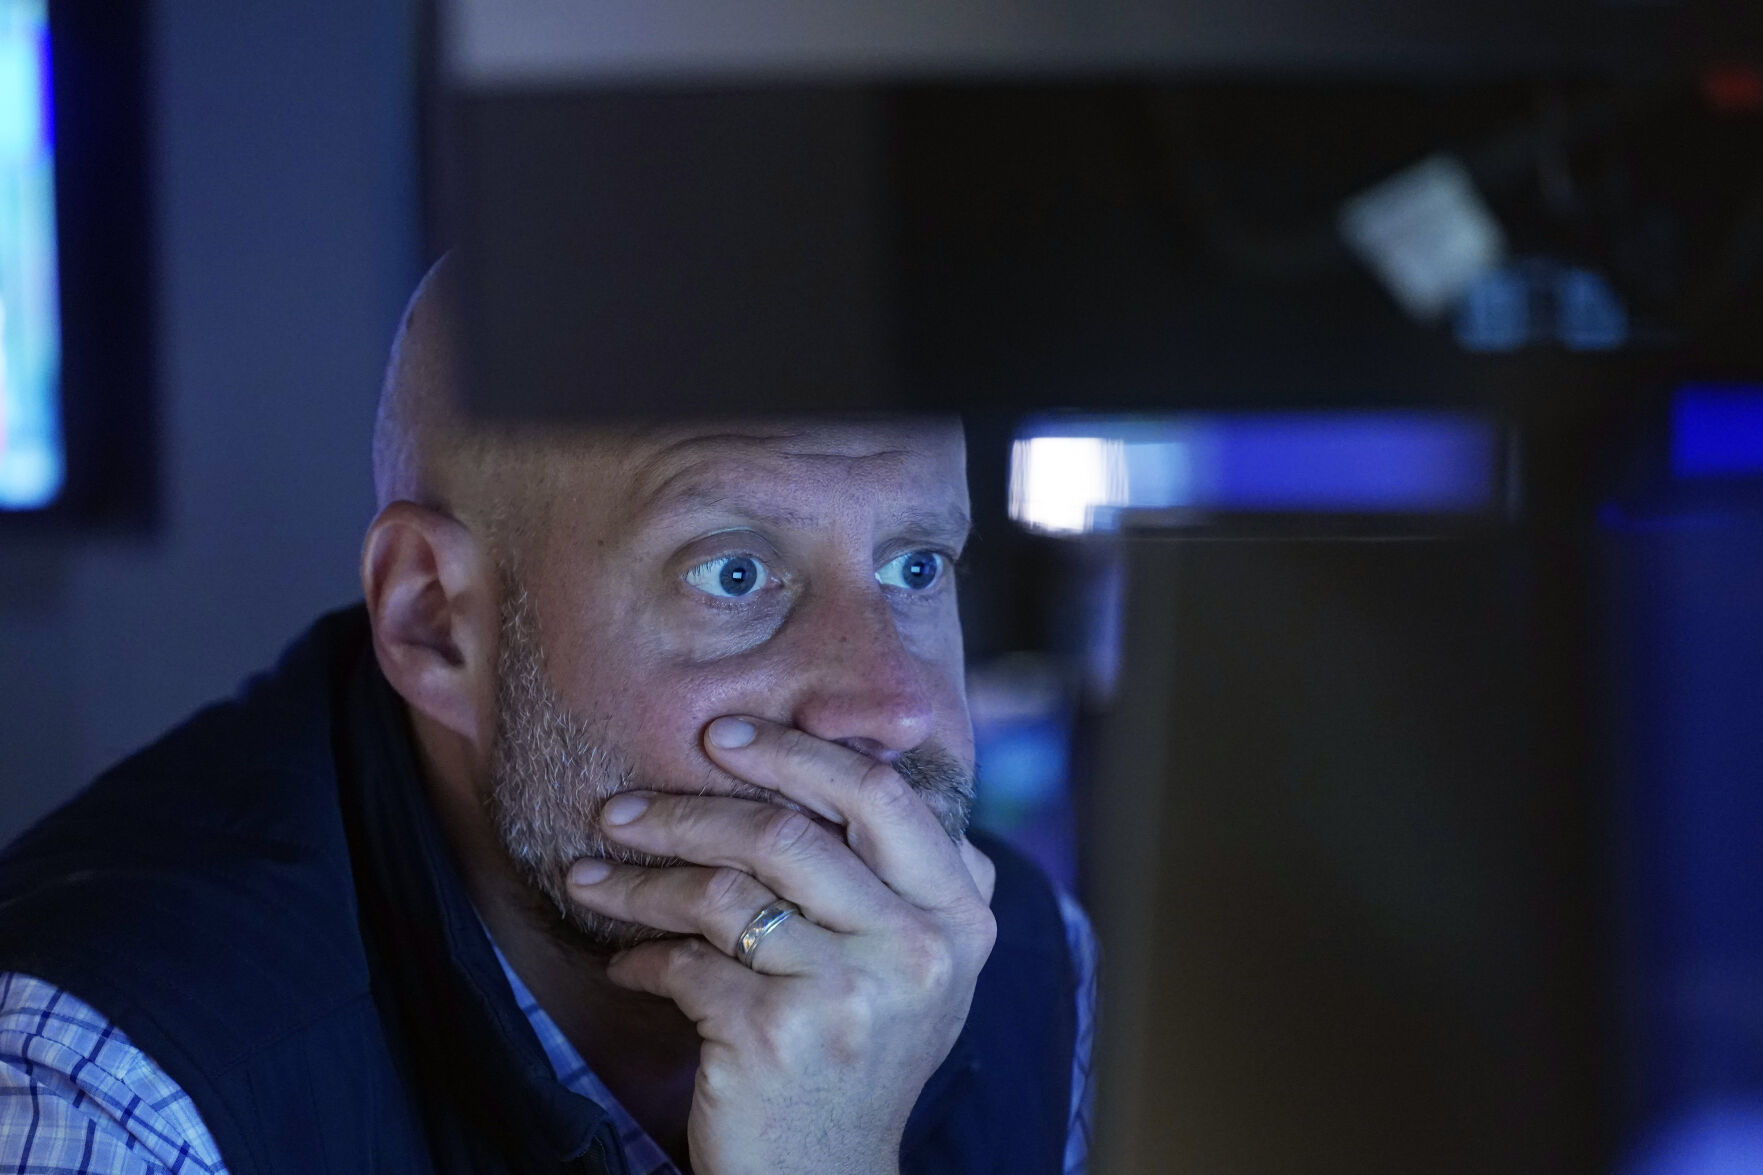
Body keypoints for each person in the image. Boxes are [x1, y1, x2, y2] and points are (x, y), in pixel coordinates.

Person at [0, 260, 1094, 1175]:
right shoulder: (107, 1082)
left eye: (914, 565)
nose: (891, 708)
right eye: (732, 574)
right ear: (435, 623)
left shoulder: (1035, 959)